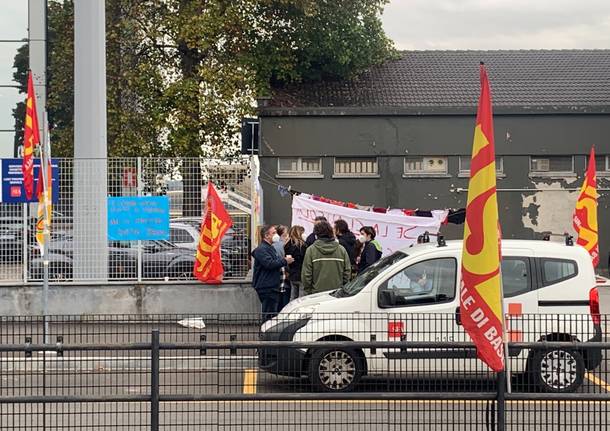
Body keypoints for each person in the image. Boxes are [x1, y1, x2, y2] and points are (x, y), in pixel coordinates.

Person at [251, 225, 294, 321]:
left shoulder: (269, 248)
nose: (276, 235)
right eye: (273, 233)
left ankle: (268, 332)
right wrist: (285, 261)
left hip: (271, 285)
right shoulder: (262, 249)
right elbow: (269, 264)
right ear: (266, 236)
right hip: (267, 286)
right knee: (269, 314)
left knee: (272, 313)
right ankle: (266, 333)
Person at [302, 221, 351, 295]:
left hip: (316, 293)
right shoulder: (341, 250)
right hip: (336, 294)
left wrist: (309, 291)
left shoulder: (311, 250)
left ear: (316, 234)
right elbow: (347, 273)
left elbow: (306, 275)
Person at [284, 225, 308, 300]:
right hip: (301, 274)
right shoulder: (303, 246)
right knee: (301, 297)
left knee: (293, 295)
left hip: (292, 273)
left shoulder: (287, 245)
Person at [273, 225, 291, 310]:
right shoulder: (282, 246)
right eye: (285, 235)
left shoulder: (273, 245)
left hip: (276, 278)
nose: (287, 237)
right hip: (284, 277)